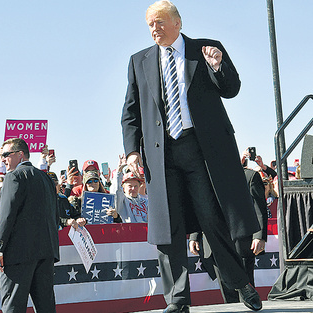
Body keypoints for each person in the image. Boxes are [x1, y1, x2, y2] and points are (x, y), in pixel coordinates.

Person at [120, 1, 262, 312]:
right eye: (150, 25)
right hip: (161, 156)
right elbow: (130, 113)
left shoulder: (206, 49)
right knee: (168, 228)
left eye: (160, 23)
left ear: (177, 23)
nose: (154, 29)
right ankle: (177, 299)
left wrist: (218, 65)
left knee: (212, 218)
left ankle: (240, 284)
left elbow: (231, 88)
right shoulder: (139, 61)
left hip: (202, 151)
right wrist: (132, 151)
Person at [190, 154, 269, 303]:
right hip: (214, 243)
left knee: (246, 291)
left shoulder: (250, 177)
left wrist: (259, 236)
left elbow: (259, 209)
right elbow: (200, 209)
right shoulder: (206, 178)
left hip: (242, 243)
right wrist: (194, 235)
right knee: (227, 291)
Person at [0, 138, 59, 313]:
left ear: (20, 154)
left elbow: (5, 216)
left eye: (6, 155)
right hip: (46, 253)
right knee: (46, 307)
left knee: (13, 306)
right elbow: (55, 216)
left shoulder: (13, 177)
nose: (3, 160)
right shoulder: (46, 179)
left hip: (18, 255)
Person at [115, 155, 148, 223]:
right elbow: (117, 191)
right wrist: (119, 171)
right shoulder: (122, 201)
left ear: (139, 186)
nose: (133, 189)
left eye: (136, 186)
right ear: (123, 187)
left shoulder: (145, 202)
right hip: (129, 231)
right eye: (130, 186)